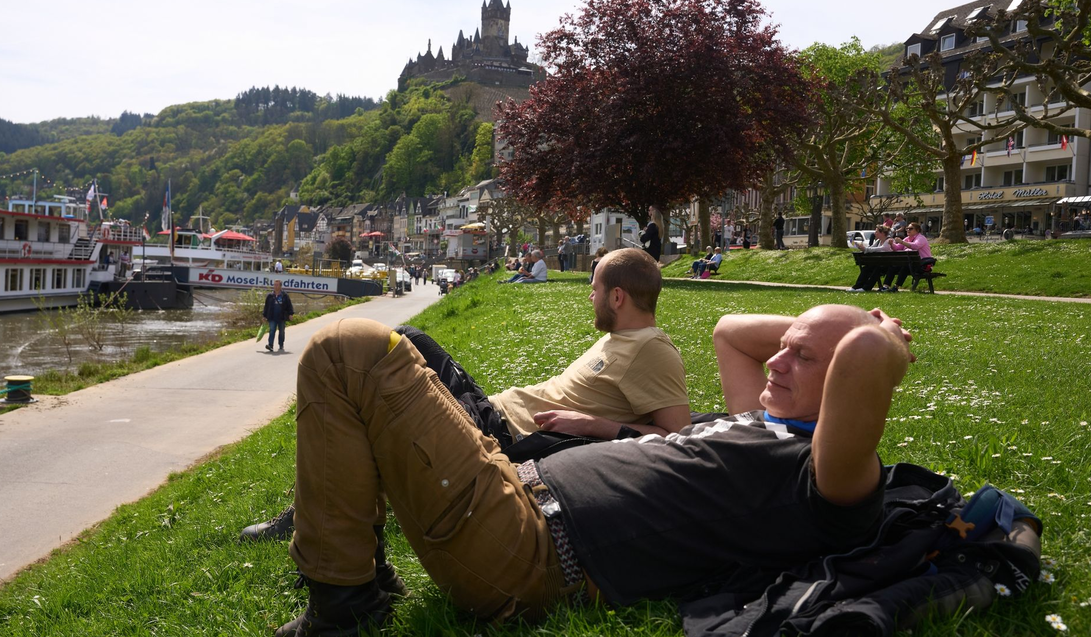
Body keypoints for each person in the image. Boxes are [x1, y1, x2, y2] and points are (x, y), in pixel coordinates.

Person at [274, 303, 913, 636]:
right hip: (511, 489)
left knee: (347, 351)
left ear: (850, 386)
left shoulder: (827, 478)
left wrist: (881, 336)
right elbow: (730, 330)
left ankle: (344, 609)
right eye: (785, 347)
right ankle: (358, 583)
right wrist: (820, 333)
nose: (775, 361)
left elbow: (857, 356)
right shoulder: (767, 419)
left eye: (800, 358)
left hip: (523, 551)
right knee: (399, 349)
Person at [244, 248, 690, 539]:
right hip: (489, 409)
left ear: (616, 298)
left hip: (499, 436)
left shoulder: (652, 349)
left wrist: (598, 426)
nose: (587, 298)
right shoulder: (621, 340)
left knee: (375, 390)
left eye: (592, 290)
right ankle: (317, 511)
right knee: (402, 338)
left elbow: (678, 439)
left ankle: (310, 519)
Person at [882, 222, 935, 292]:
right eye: (907, 228)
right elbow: (897, 248)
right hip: (911, 264)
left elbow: (915, 246)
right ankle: (886, 286)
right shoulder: (907, 239)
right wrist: (892, 244)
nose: (908, 230)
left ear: (917, 230)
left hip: (922, 265)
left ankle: (896, 287)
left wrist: (902, 242)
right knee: (893, 266)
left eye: (910, 228)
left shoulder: (921, 238)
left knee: (905, 266)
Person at [848, 225, 893, 292]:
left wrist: (866, 249)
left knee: (877, 269)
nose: (875, 233)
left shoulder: (889, 241)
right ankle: (857, 286)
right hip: (879, 263)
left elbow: (882, 249)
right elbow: (871, 248)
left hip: (887, 265)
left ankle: (866, 288)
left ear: (883, 233)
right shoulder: (878, 241)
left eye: (877, 232)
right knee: (866, 268)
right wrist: (861, 247)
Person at [261, 280, 295, 352]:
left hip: (281, 317)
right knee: (272, 330)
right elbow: (266, 307)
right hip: (272, 317)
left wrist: (290, 314)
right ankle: (270, 345)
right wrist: (264, 316)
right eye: (274, 285)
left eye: (277, 285)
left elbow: (289, 306)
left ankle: (281, 344)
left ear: (280, 286)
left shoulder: (285, 296)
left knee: (281, 331)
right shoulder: (270, 296)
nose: (275, 286)